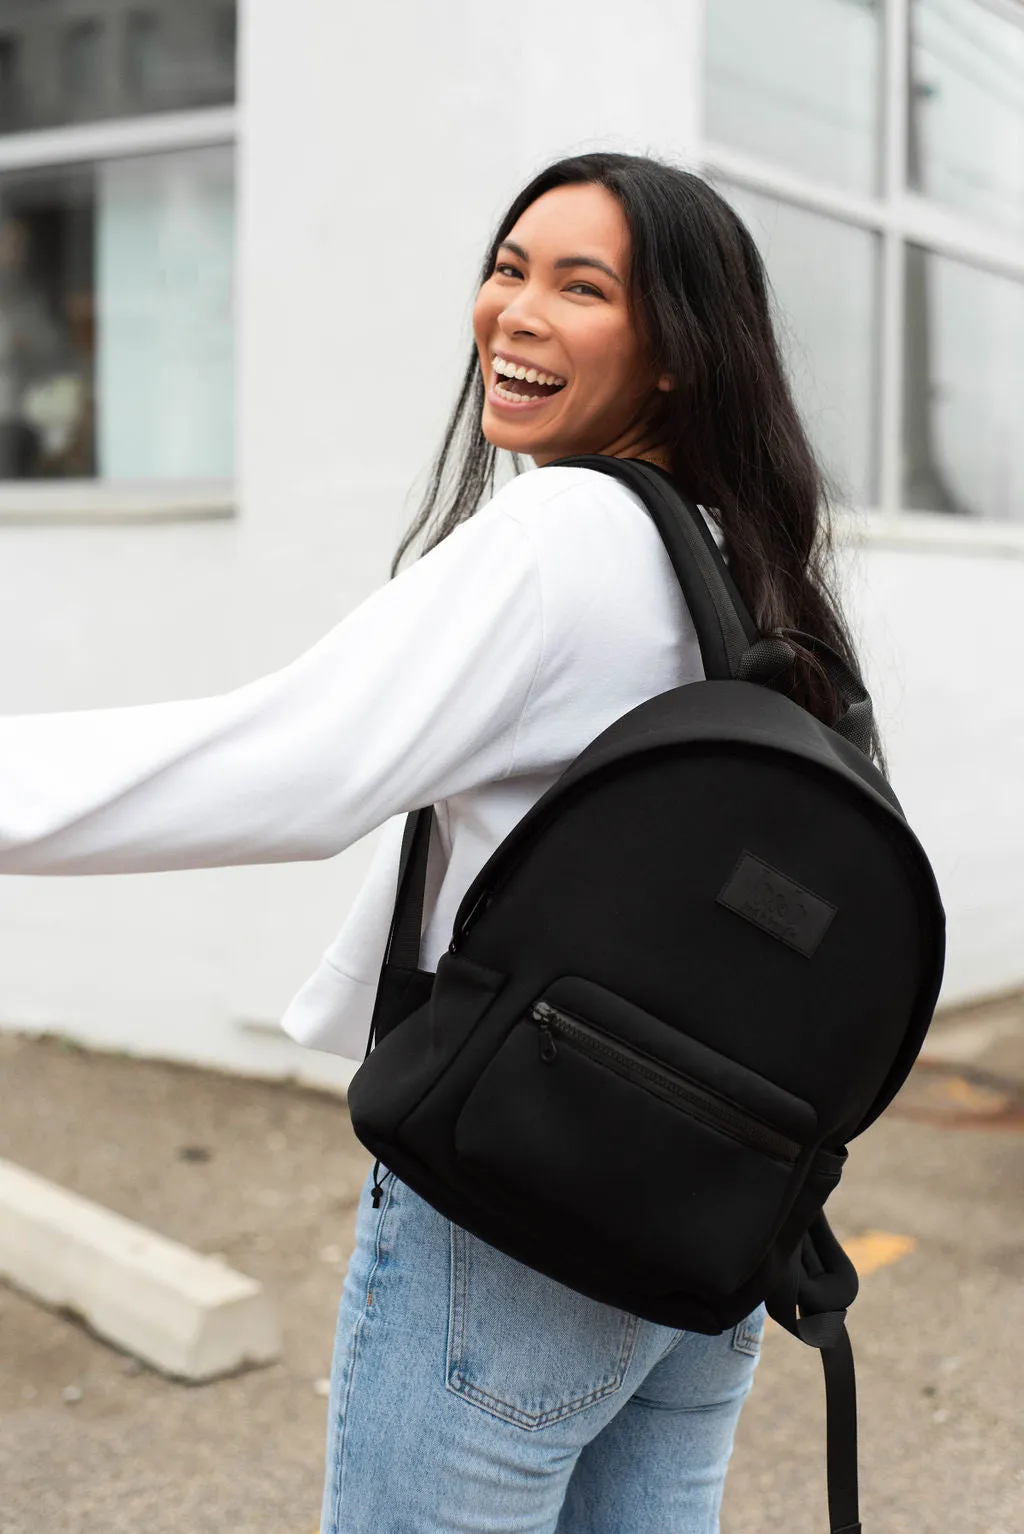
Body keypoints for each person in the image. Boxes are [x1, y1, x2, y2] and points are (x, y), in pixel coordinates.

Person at [0, 152, 879, 1531]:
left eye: (580, 287)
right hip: (703, 1227)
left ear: (671, 355)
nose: (513, 312)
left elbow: (290, 761)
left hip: (520, 1218)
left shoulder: (563, 534)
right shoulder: (743, 556)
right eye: (509, 266)